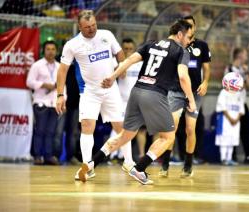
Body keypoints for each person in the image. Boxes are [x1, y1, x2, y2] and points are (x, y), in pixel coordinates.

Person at [75, 19, 196, 185]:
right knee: (168, 137)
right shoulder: (181, 51)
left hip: (137, 91)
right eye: (189, 37)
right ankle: (140, 169)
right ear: (180, 34)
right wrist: (191, 100)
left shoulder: (151, 44)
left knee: (125, 135)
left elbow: (129, 60)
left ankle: (91, 164)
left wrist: (112, 76)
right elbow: (183, 76)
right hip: (155, 94)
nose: (190, 41)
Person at [55, 10, 135, 180]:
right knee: (86, 127)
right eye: (87, 27)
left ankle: (128, 162)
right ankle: (87, 166)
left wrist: (121, 69)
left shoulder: (106, 35)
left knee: (121, 127)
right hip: (89, 92)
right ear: (79, 26)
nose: (92, 29)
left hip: (111, 90)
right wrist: (60, 95)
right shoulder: (72, 45)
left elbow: (120, 53)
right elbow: (62, 71)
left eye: (94, 25)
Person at [159, 15, 211, 178]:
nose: (188, 28)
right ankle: (165, 165)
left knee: (190, 129)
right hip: (175, 90)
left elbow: (207, 68)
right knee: (170, 128)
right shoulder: (174, 45)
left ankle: (188, 165)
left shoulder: (201, 45)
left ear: (194, 28)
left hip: (195, 93)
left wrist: (206, 83)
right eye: (185, 26)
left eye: (191, 25)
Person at [109, 38, 144, 162]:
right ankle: (111, 155)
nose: (128, 51)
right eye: (126, 49)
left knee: (130, 130)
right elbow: (116, 75)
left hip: (136, 102)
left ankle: (122, 156)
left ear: (134, 50)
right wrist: (122, 64)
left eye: (130, 49)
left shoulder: (140, 63)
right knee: (118, 128)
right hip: (121, 101)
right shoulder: (116, 62)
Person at [26, 40, 60, 165]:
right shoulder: (37, 65)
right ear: (43, 51)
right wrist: (43, 84)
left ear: (56, 51)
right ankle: (37, 155)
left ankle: (48, 156)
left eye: (53, 49)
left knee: (51, 131)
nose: (50, 52)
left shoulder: (59, 66)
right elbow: (29, 82)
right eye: (48, 49)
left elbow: (63, 86)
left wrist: (64, 100)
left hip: (54, 103)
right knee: (40, 130)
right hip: (41, 102)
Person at [226, 47, 249, 164]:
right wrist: (241, 84)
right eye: (245, 54)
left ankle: (248, 156)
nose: (246, 57)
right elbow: (230, 86)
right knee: (232, 130)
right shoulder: (229, 69)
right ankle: (231, 156)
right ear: (239, 56)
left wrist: (246, 73)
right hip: (232, 104)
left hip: (242, 103)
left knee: (245, 130)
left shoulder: (243, 69)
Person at [215, 88, 244, 166]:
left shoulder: (239, 93)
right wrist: (230, 119)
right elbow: (222, 107)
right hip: (225, 119)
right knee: (224, 139)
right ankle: (223, 158)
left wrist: (236, 119)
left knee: (232, 140)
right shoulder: (223, 92)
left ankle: (229, 158)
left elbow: (241, 109)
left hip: (236, 121)